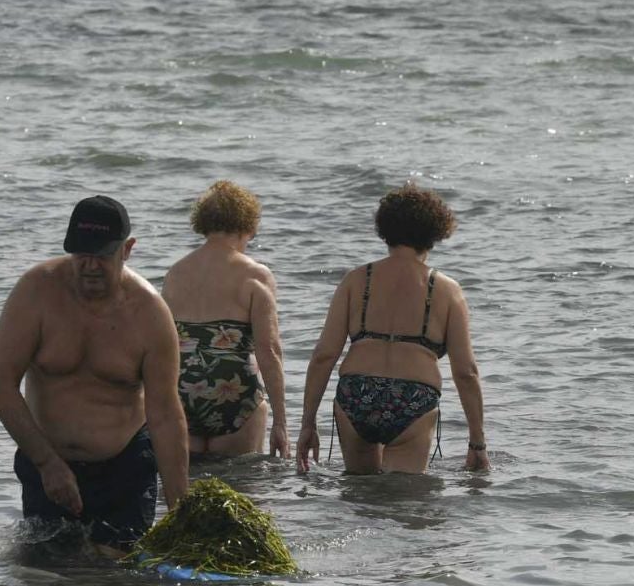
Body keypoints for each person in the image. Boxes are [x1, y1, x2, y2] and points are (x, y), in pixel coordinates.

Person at [0, 194, 189, 552]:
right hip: (45, 461)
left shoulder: (150, 315)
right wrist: (47, 462)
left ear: (127, 249)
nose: (91, 266)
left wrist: (182, 516)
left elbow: (166, 416)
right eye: (82, 255)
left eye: (102, 255)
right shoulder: (36, 293)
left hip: (124, 466)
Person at [297, 183, 490, 475]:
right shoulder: (447, 290)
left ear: (384, 229)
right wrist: (477, 442)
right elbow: (466, 372)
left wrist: (308, 424)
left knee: (358, 495)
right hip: (412, 399)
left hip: (356, 395)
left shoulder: (355, 280)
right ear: (436, 233)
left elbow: (324, 354)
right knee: (405, 500)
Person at [160, 180, 289, 459]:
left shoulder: (176, 274)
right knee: (242, 487)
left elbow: (163, 346)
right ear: (248, 225)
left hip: (184, 395)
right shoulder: (255, 276)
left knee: (190, 489)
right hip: (236, 395)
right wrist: (280, 422)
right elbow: (269, 351)